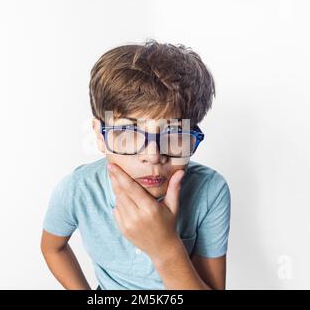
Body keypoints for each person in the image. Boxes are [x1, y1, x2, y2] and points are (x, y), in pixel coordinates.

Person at [40, 40, 231, 290]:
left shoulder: (210, 191)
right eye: (129, 132)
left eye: (173, 134)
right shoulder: (78, 189)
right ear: (100, 135)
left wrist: (165, 247)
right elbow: (53, 247)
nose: (153, 155)